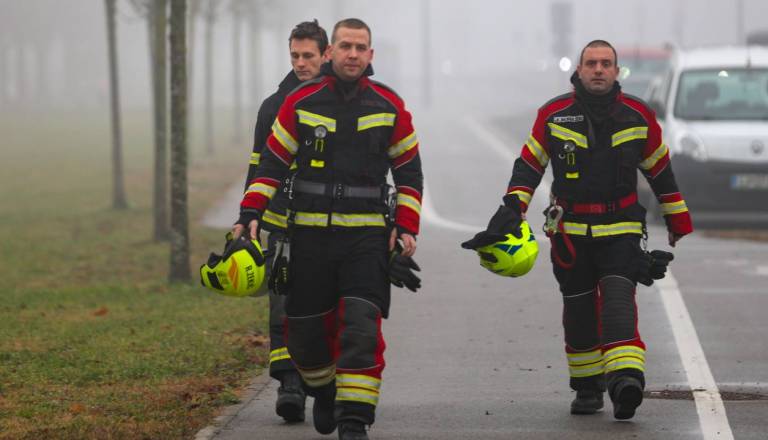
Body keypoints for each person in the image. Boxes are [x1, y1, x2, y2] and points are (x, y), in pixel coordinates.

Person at [462, 40, 692, 420]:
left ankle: (626, 381)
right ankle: (587, 387)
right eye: (591, 63)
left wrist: (677, 218)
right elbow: (529, 165)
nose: (598, 69)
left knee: (618, 302)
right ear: (579, 70)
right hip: (570, 233)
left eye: (606, 63)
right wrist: (513, 207)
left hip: (620, 229)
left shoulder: (638, 115)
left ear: (616, 71)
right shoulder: (553, 115)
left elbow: (660, 170)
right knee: (579, 310)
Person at [234, 18, 423, 440]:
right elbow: (271, 164)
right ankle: (322, 388)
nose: (353, 54)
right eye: (346, 46)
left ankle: (354, 419)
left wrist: (406, 227)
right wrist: (250, 213)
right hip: (309, 238)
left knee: (361, 326)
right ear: (331, 53)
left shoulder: (389, 105)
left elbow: (409, 172)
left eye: (361, 47)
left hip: (366, 240)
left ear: (370, 55)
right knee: (304, 335)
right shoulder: (299, 102)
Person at [240, 19, 329, 424]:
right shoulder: (273, 106)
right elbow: (258, 166)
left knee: (325, 310)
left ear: (326, 55)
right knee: (282, 307)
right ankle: (289, 385)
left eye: (308, 55)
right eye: (295, 56)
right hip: (283, 224)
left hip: (331, 227)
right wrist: (248, 215)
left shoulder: (342, 103)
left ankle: (324, 384)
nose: (300, 63)